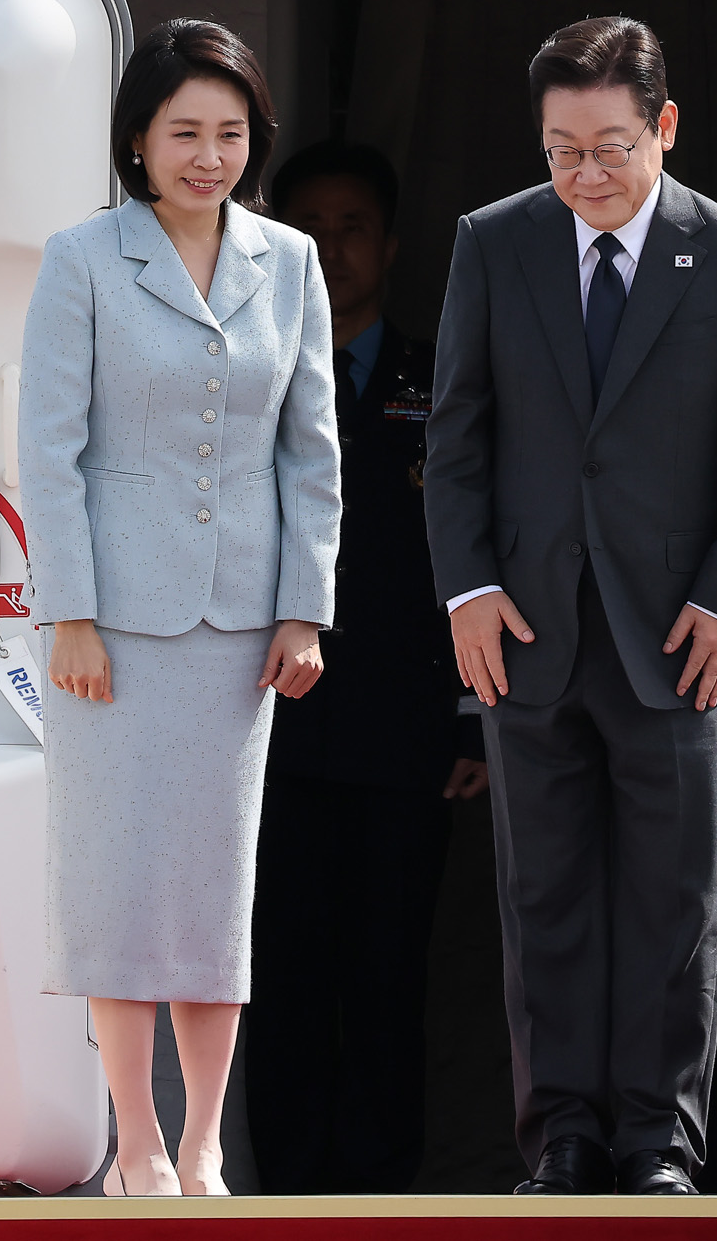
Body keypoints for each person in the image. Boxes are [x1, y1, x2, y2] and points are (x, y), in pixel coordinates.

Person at [423, 16, 717, 1197]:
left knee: (673, 908)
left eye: (609, 148)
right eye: (561, 151)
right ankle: (562, 1139)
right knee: (542, 902)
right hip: (525, 633)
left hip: (682, 640)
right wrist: (466, 590)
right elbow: (455, 437)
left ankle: (657, 1144)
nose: (584, 174)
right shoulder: (494, 242)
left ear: (664, 128)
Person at [20, 18, 340, 1198]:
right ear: (138, 142)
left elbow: (311, 450)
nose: (209, 156)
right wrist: (70, 612)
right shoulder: (81, 258)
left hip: (238, 627)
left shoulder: (289, 261)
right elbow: (48, 450)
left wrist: (304, 607)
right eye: (184, 133)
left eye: (230, 133)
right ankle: (135, 1143)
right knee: (115, 881)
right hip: (107, 627)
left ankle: (200, 1143)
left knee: (212, 888)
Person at [244, 141, 488, 1194]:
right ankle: (288, 1197)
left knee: (388, 981)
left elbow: (484, 557)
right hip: (269, 735)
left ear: (389, 246)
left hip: (406, 739)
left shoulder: (447, 381)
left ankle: (380, 1195)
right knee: (281, 979)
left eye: (353, 227)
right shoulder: (243, 377)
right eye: (311, 229)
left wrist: (473, 716)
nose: (334, 248)